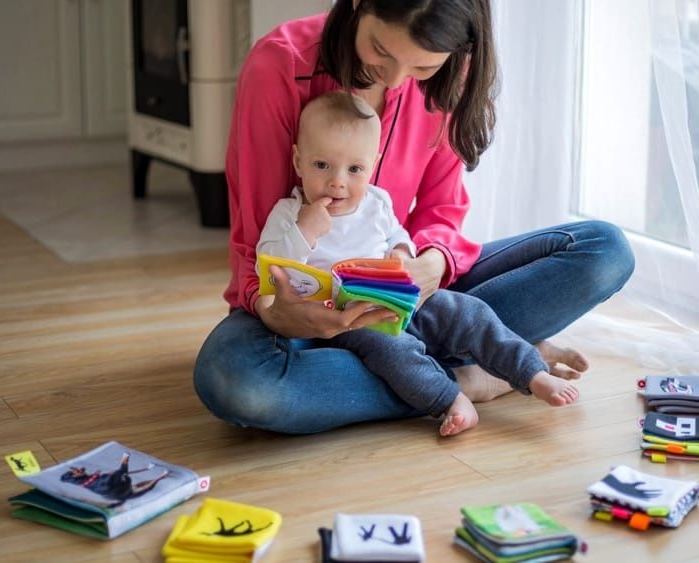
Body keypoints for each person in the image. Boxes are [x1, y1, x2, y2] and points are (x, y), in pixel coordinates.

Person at [194, 0, 635, 434]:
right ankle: (469, 376)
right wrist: (280, 316)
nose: (398, 79)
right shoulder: (281, 65)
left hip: (408, 299)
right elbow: (256, 247)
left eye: (422, 68)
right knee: (238, 383)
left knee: (604, 250)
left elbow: (441, 210)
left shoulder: (449, 76)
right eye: (382, 51)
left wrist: (427, 264)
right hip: (303, 312)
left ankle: (422, 371)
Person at [258, 90, 579, 436]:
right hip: (349, 321)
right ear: (298, 161)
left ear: (373, 165)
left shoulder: (376, 202)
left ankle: (532, 372)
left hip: (400, 298)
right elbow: (273, 268)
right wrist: (304, 232)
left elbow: (398, 233)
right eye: (322, 166)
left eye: (354, 169)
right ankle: (449, 398)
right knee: (395, 350)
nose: (338, 181)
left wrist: (401, 253)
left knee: (469, 312)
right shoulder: (288, 213)